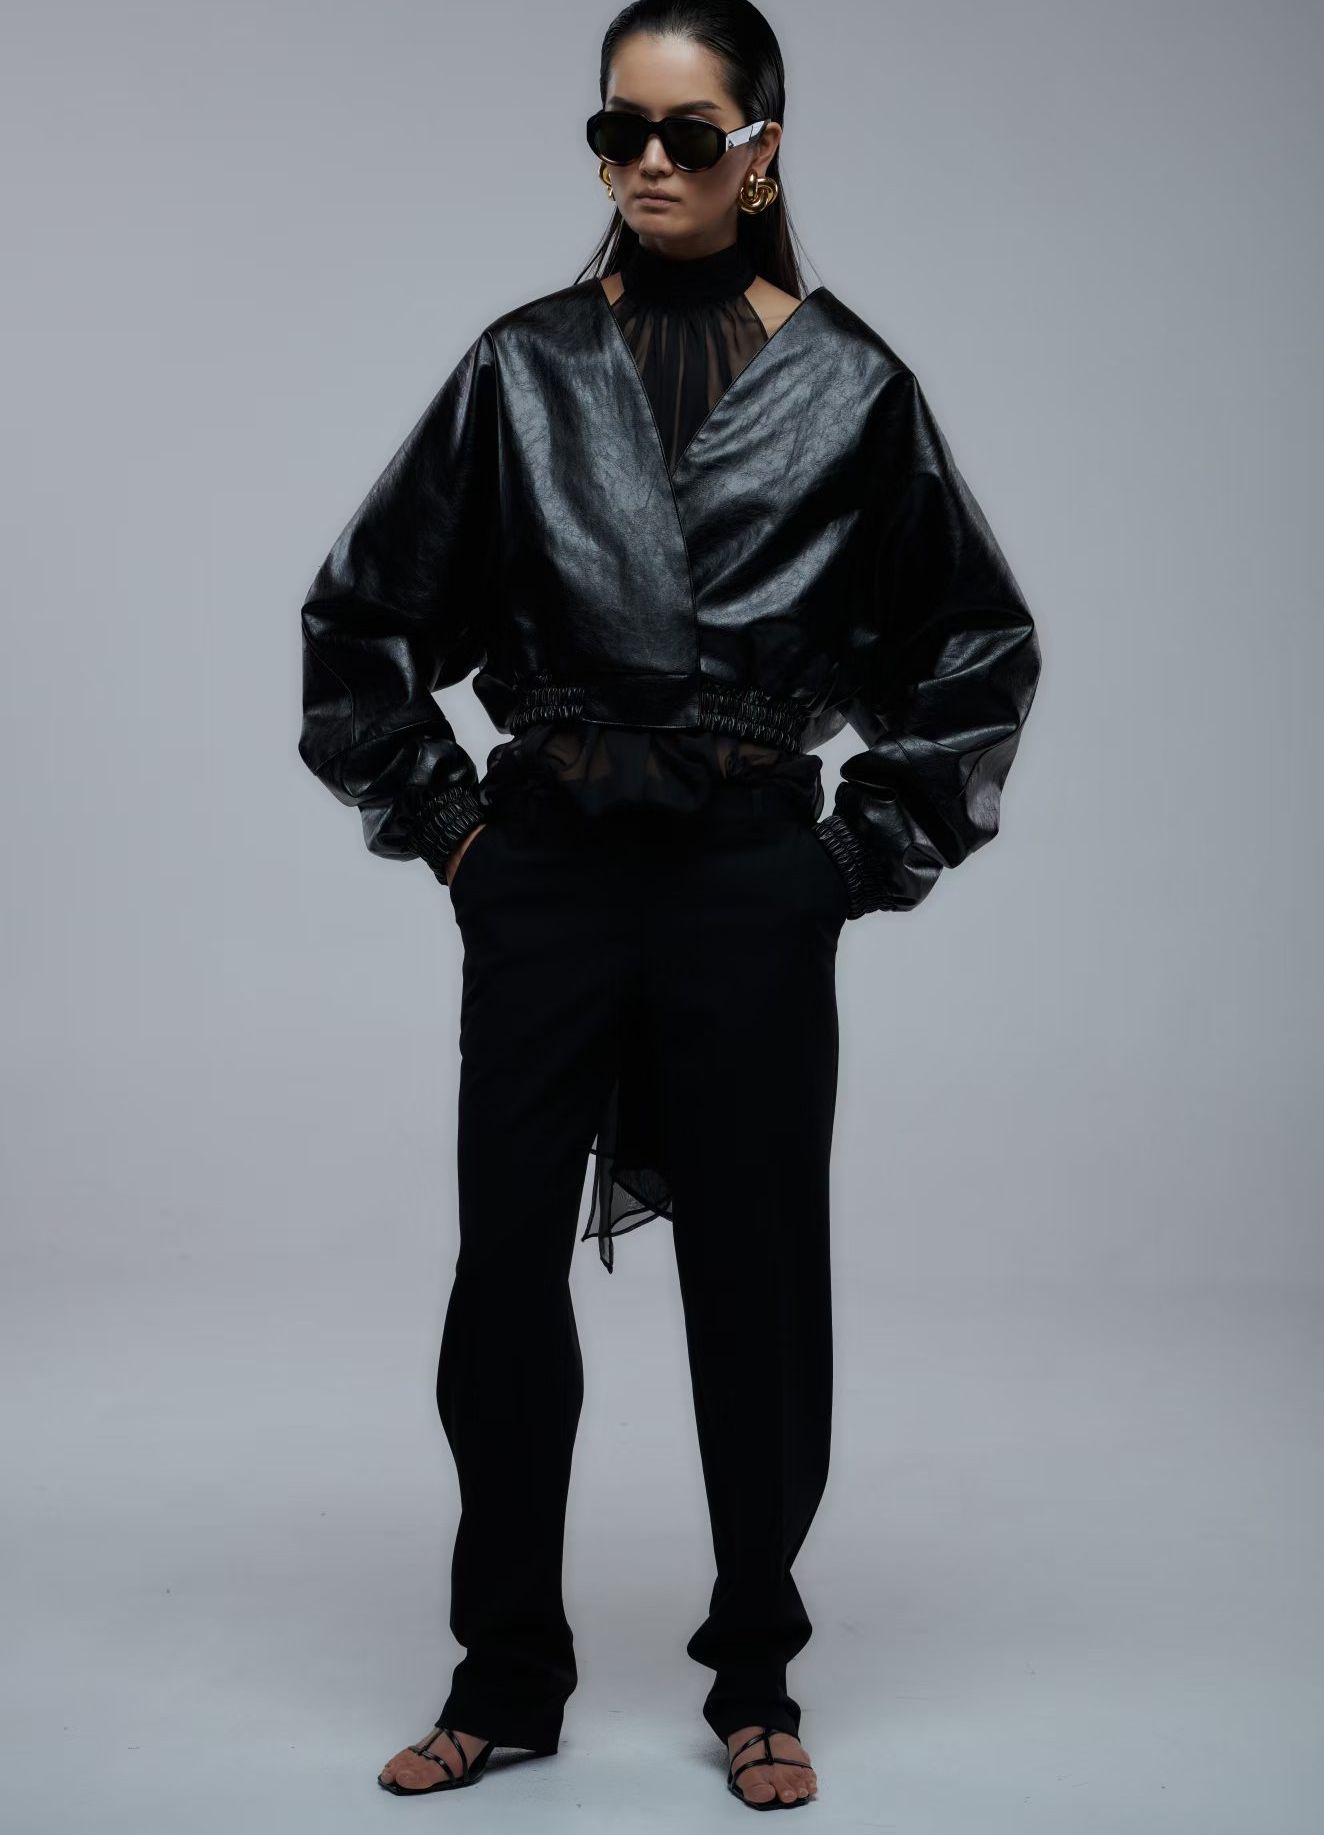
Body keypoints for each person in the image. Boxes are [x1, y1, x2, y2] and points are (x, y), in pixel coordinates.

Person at [298, 0, 1041, 1811]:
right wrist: (457, 836)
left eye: (687, 133)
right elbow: (362, 624)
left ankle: (758, 1671)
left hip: (744, 887)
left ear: (763, 151)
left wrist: (850, 861)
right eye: (616, 129)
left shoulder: (854, 389)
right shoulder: (522, 368)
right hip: (547, 875)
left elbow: (975, 649)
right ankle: (503, 1675)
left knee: (760, 1283)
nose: (646, 162)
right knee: (503, 1283)